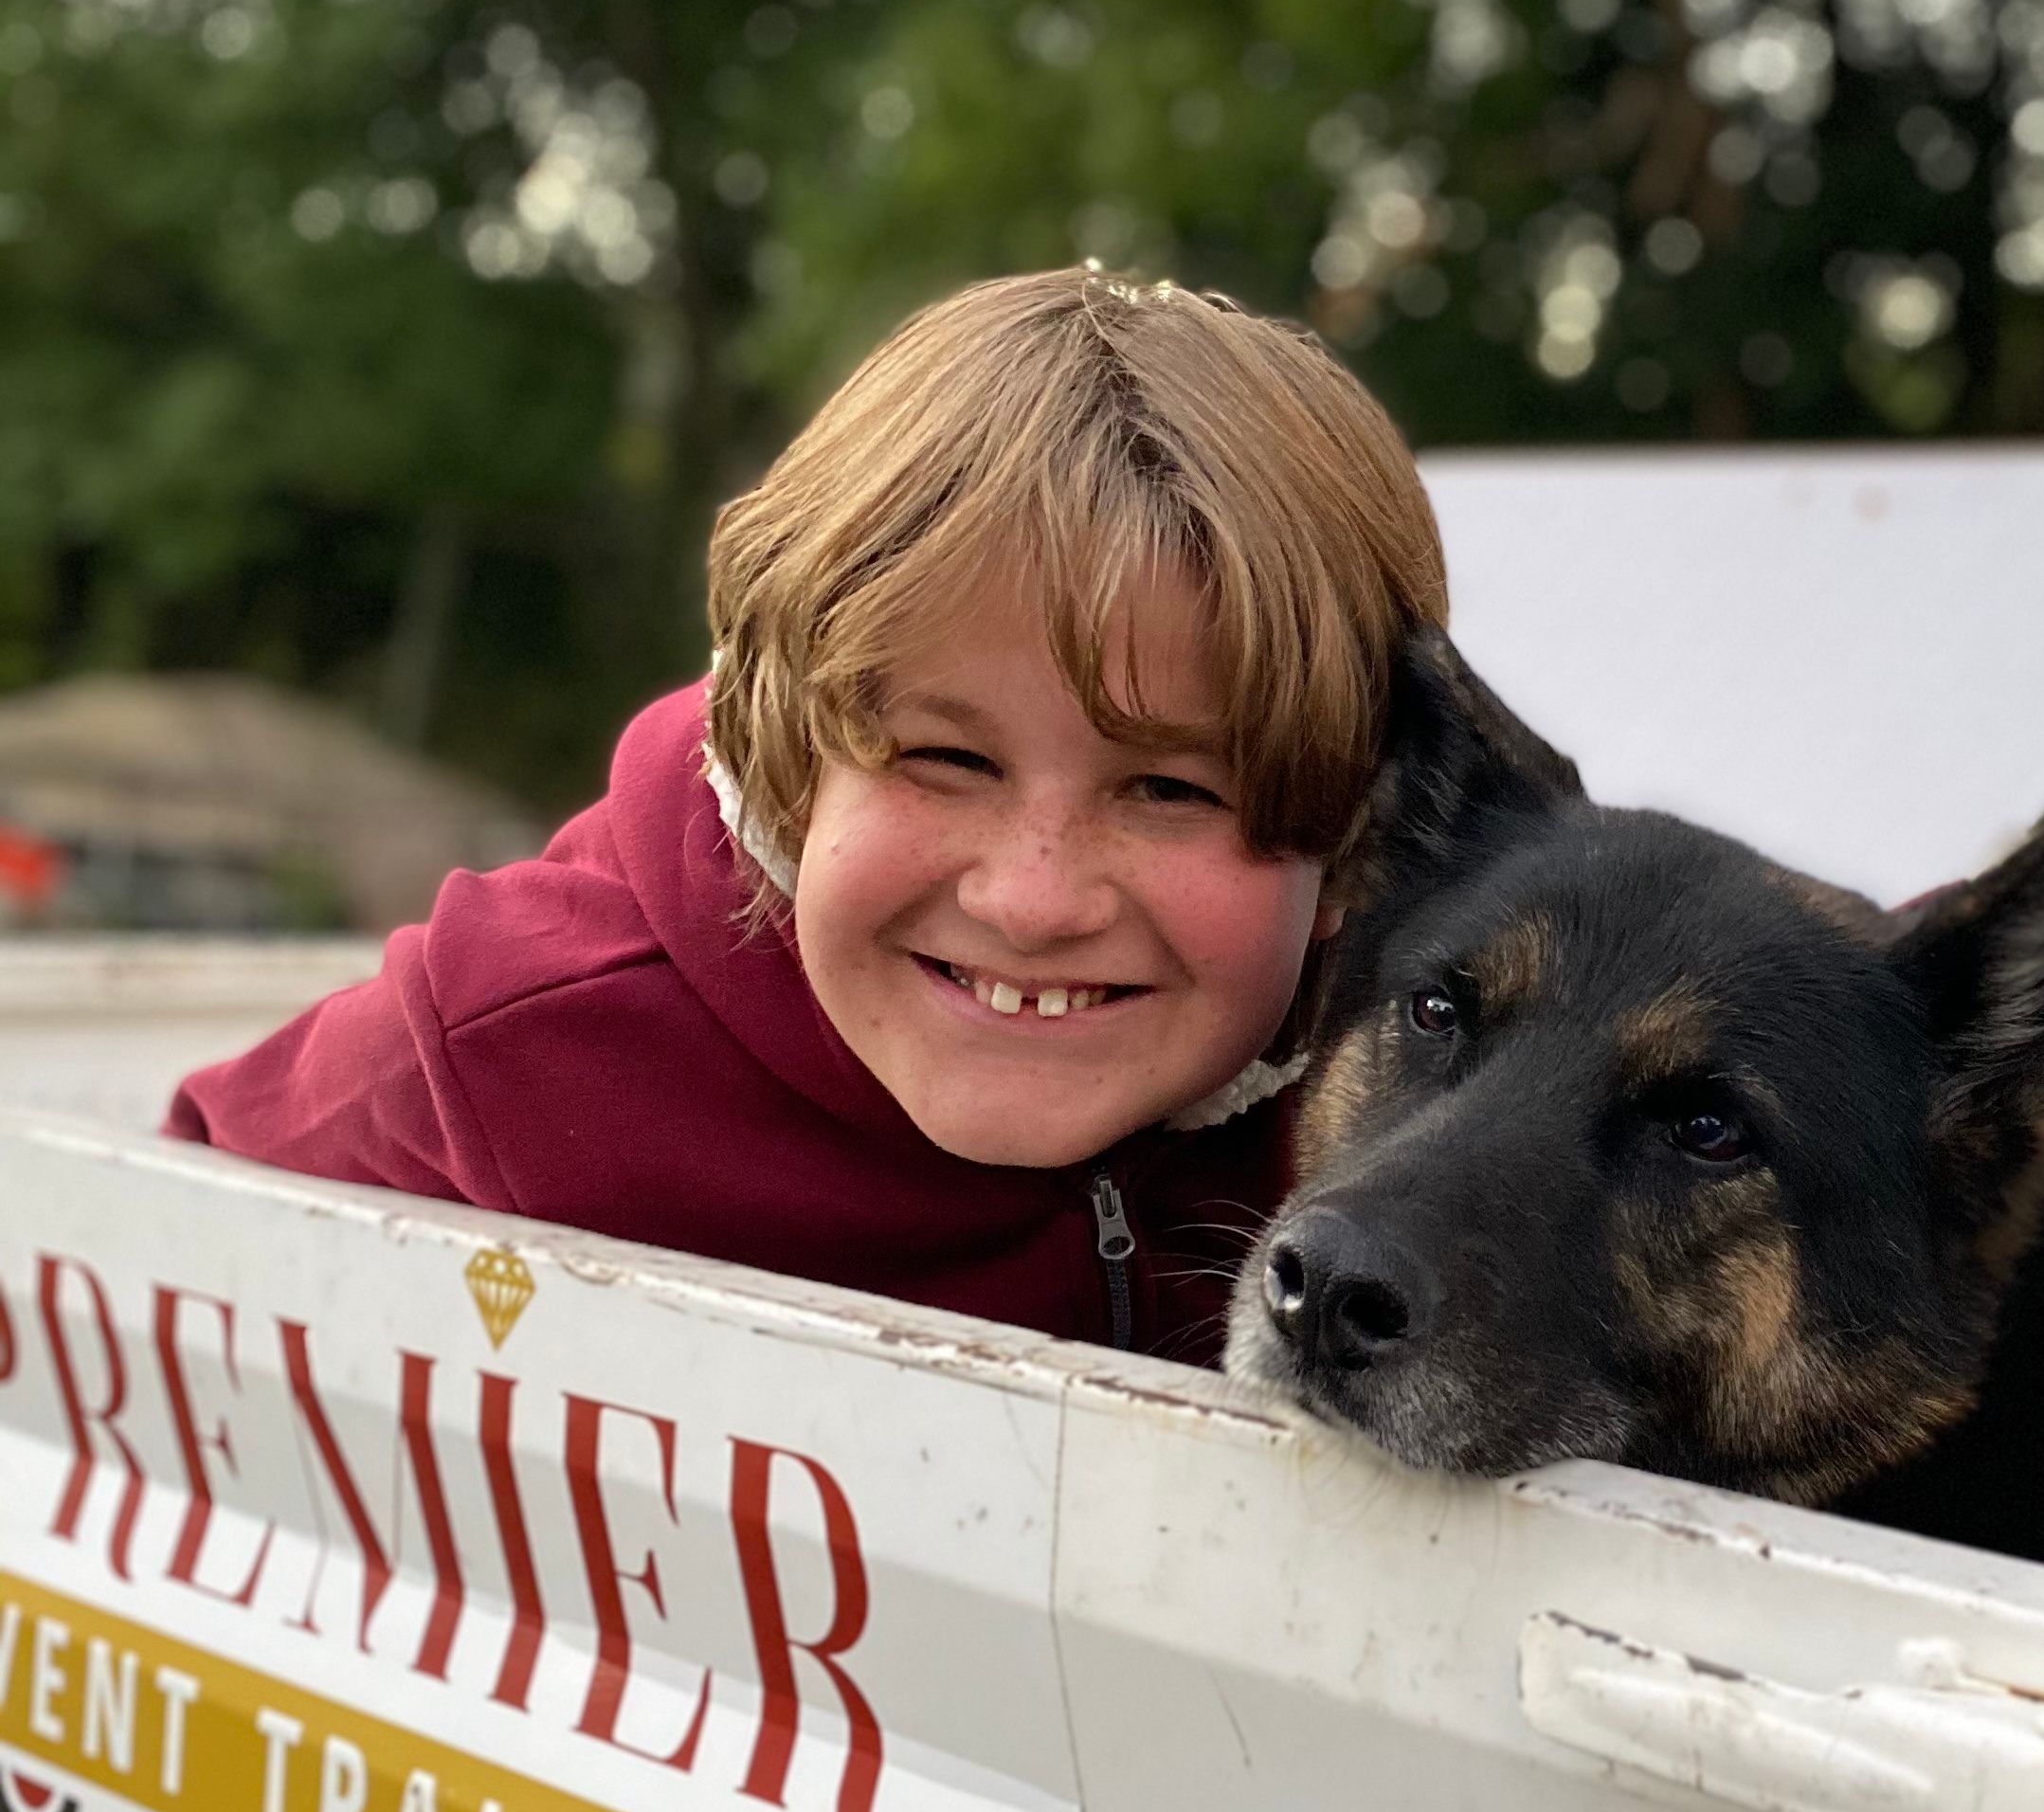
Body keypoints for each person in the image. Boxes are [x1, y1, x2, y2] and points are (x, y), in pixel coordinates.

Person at [167, 268, 1447, 1363]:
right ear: (791, 757)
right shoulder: (517, 1034)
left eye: (1171, 790)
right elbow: (136, 1267)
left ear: (1358, 832)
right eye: (945, 758)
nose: (1033, 898)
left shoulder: (1443, 1103)